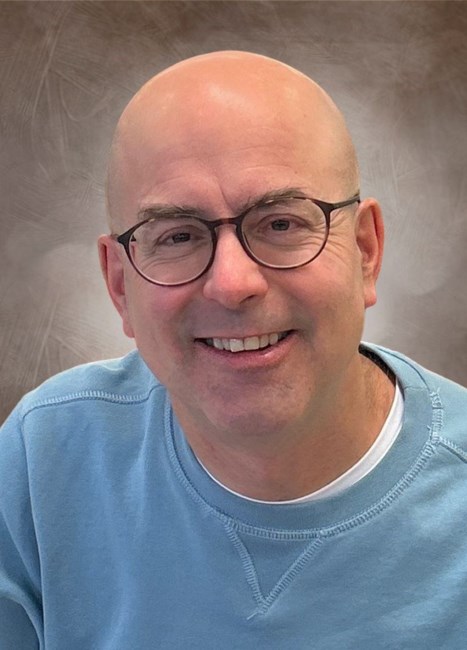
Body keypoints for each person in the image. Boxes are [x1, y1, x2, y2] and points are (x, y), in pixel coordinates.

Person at [1, 51, 466, 649]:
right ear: (119, 284)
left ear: (365, 251)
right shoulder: (44, 464)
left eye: (281, 224)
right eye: (178, 236)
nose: (232, 283)